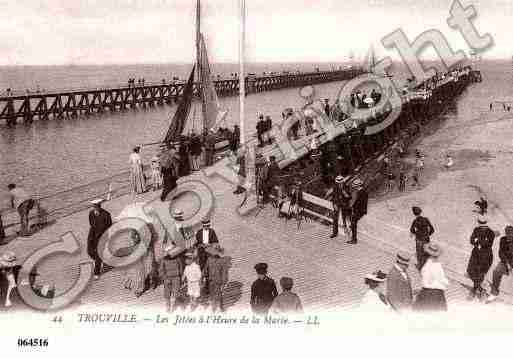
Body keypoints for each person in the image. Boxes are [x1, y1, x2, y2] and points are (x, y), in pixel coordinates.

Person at [466, 215, 495, 300]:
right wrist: (479, 243)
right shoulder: (488, 232)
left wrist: (477, 242)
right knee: (471, 271)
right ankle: (480, 290)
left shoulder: (489, 232)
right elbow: (472, 240)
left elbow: (488, 244)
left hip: (485, 255)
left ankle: (476, 290)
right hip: (478, 254)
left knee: (480, 273)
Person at [413, 243, 449, 312]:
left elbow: (425, 281)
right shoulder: (436, 265)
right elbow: (443, 281)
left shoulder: (428, 265)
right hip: (434, 293)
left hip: (428, 293)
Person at [87, 199, 112, 279]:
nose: (95, 208)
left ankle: (96, 272)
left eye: (97, 206)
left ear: (99, 206)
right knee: (89, 251)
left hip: (102, 236)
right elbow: (91, 223)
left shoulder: (106, 214)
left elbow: (109, 225)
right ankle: (100, 260)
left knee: (98, 253)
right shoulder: (91, 214)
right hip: (92, 235)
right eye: (94, 207)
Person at [487, 225, 513, 302]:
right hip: (506, 263)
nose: (509, 235)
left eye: (511, 233)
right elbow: (501, 253)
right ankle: (494, 293)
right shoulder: (503, 239)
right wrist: (508, 265)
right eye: (507, 233)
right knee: (496, 271)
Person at [204, 244, 231, 312]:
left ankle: (220, 307)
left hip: (218, 281)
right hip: (211, 280)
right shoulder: (209, 260)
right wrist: (203, 276)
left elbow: (224, 273)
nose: (213, 254)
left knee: (218, 294)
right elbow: (205, 269)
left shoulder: (222, 261)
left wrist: (224, 282)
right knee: (212, 294)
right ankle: (214, 307)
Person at [159, 242, 184, 312]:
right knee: (167, 294)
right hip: (167, 278)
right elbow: (161, 270)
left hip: (176, 277)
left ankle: (177, 303)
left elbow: (181, 267)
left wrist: (180, 276)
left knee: (176, 293)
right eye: (168, 252)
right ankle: (168, 307)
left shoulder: (177, 258)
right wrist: (165, 278)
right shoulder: (164, 260)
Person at [348, 179, 368, 244]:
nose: (354, 188)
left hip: (359, 211)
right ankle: (353, 238)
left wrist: (352, 206)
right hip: (361, 210)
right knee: (353, 222)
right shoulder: (363, 191)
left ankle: (354, 239)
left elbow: (358, 203)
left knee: (353, 223)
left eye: (354, 186)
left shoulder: (360, 193)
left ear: (357, 186)